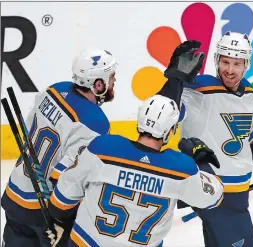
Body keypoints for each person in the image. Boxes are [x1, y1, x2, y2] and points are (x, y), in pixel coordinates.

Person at [161, 34, 253, 247]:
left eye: (236, 64)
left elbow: (247, 140)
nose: (229, 70)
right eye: (225, 62)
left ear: (246, 64)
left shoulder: (249, 94)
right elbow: (162, 113)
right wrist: (176, 78)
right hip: (214, 195)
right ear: (216, 60)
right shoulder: (199, 89)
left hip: (237, 198)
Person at [46, 94, 224, 247]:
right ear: (170, 131)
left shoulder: (103, 148)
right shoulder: (182, 168)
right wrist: (200, 161)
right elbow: (214, 197)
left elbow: (62, 199)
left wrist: (61, 222)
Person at [1, 48, 118, 247]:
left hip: (14, 194)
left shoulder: (54, 89)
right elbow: (64, 177)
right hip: (43, 213)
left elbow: (28, 132)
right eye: (111, 77)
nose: (114, 82)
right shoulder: (95, 122)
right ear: (99, 84)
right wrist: (63, 220)